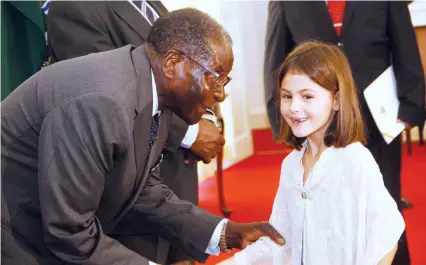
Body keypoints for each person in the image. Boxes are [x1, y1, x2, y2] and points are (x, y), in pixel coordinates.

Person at [1, 8, 285, 265]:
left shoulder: (151, 90)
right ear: (173, 64)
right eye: (215, 78)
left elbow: (141, 191)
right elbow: (68, 232)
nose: (221, 93)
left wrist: (225, 233)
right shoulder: (102, 103)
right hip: (15, 231)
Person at [45, 1, 223, 264]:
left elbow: (193, 62)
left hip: (177, 178)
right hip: (134, 191)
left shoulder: (148, 3)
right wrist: (189, 134)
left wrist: (208, 116)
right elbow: (103, 95)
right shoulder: (74, 7)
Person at [263, 2, 426, 263]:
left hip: (377, 121)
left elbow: (405, 43)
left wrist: (411, 106)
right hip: (316, 123)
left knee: (386, 211)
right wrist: (280, 117)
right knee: (327, 212)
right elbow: (276, 57)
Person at [222, 41, 404, 265]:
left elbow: (387, 237)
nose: (293, 107)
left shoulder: (355, 161)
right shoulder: (292, 165)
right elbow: (279, 240)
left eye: (307, 96)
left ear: (336, 100)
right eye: (287, 96)